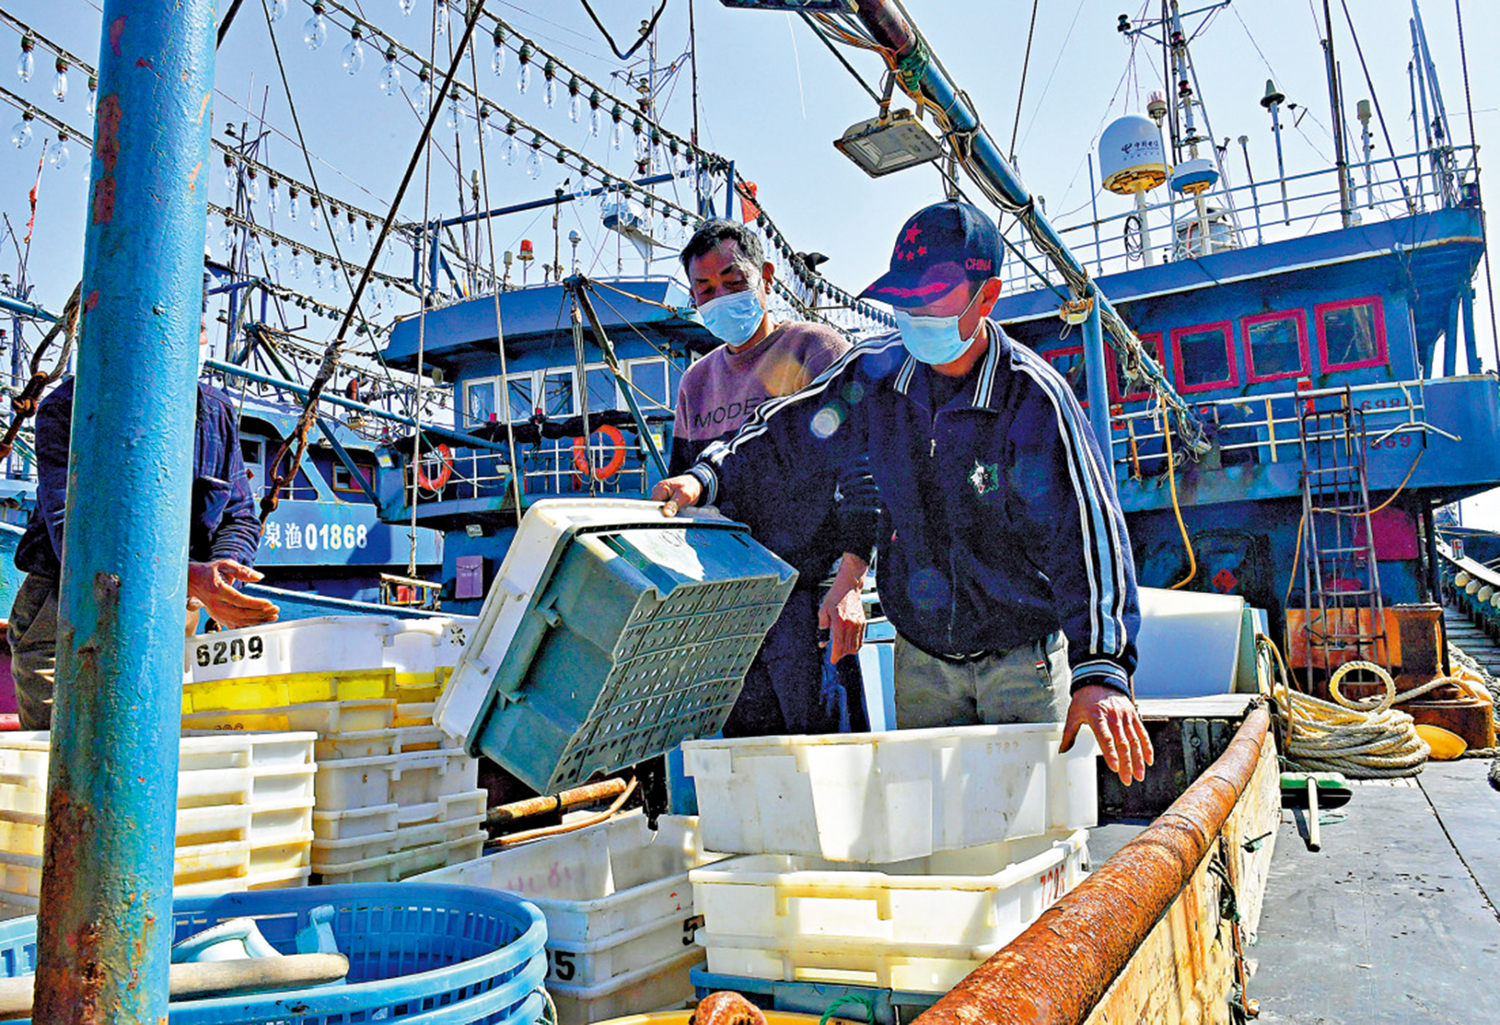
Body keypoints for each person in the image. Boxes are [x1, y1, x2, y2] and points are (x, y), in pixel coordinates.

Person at [655, 200, 1154, 784]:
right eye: (904, 298)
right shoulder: (875, 373)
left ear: (987, 298)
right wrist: (705, 476)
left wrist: (1101, 670)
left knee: (1038, 822)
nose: (915, 314)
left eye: (933, 297)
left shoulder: (1032, 399)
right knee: (934, 826)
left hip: (1023, 662)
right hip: (920, 661)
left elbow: (1088, 534)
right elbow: (785, 431)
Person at [8, 320, 278, 730]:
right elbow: (72, 533)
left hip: (176, 607)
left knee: (155, 736)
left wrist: (221, 571)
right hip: (67, 606)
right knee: (61, 743)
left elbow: (239, 512)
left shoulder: (216, 411)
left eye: (198, 332)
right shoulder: (68, 408)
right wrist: (187, 578)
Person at [673, 219, 879, 736]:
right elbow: (686, 502)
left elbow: (863, 472)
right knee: (748, 763)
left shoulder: (817, 350)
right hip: (732, 610)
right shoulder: (695, 383)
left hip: (812, 601)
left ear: (766, 276)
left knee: (830, 762)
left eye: (734, 282)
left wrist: (850, 582)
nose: (721, 297)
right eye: (706, 289)